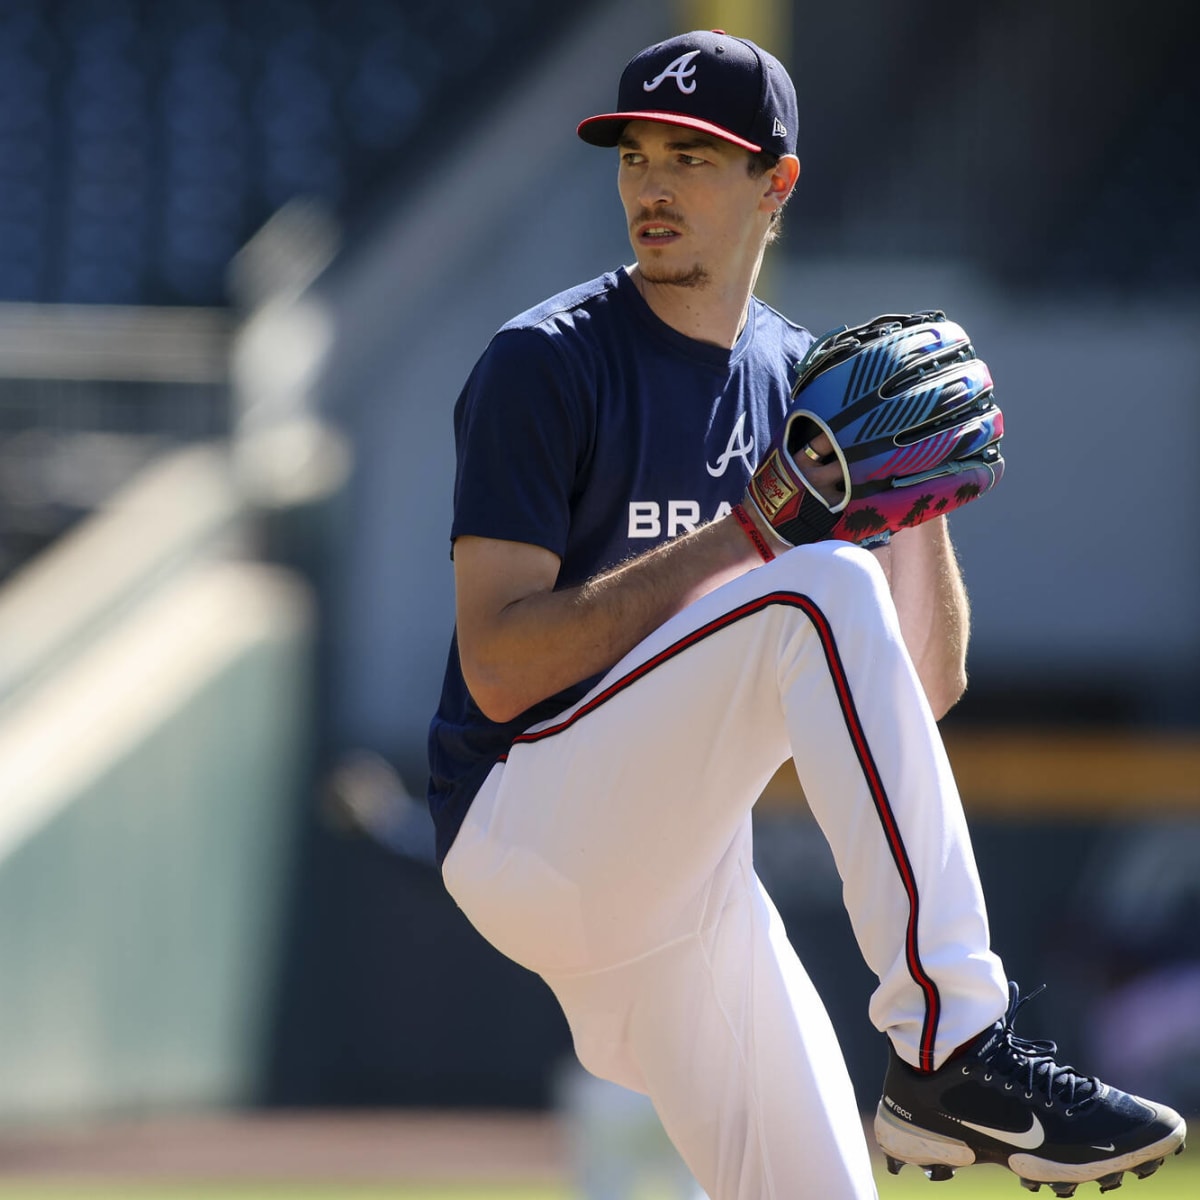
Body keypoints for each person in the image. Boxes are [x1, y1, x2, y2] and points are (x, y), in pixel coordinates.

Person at [426, 29, 1186, 1200]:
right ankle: (953, 1046)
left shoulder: (802, 381)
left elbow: (920, 692)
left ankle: (943, 1065)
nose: (654, 185)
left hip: (682, 884)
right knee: (818, 587)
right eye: (635, 155)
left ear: (775, 181)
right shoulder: (547, 361)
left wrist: (912, 497)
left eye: (693, 155)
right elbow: (498, 667)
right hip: (528, 825)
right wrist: (755, 532)